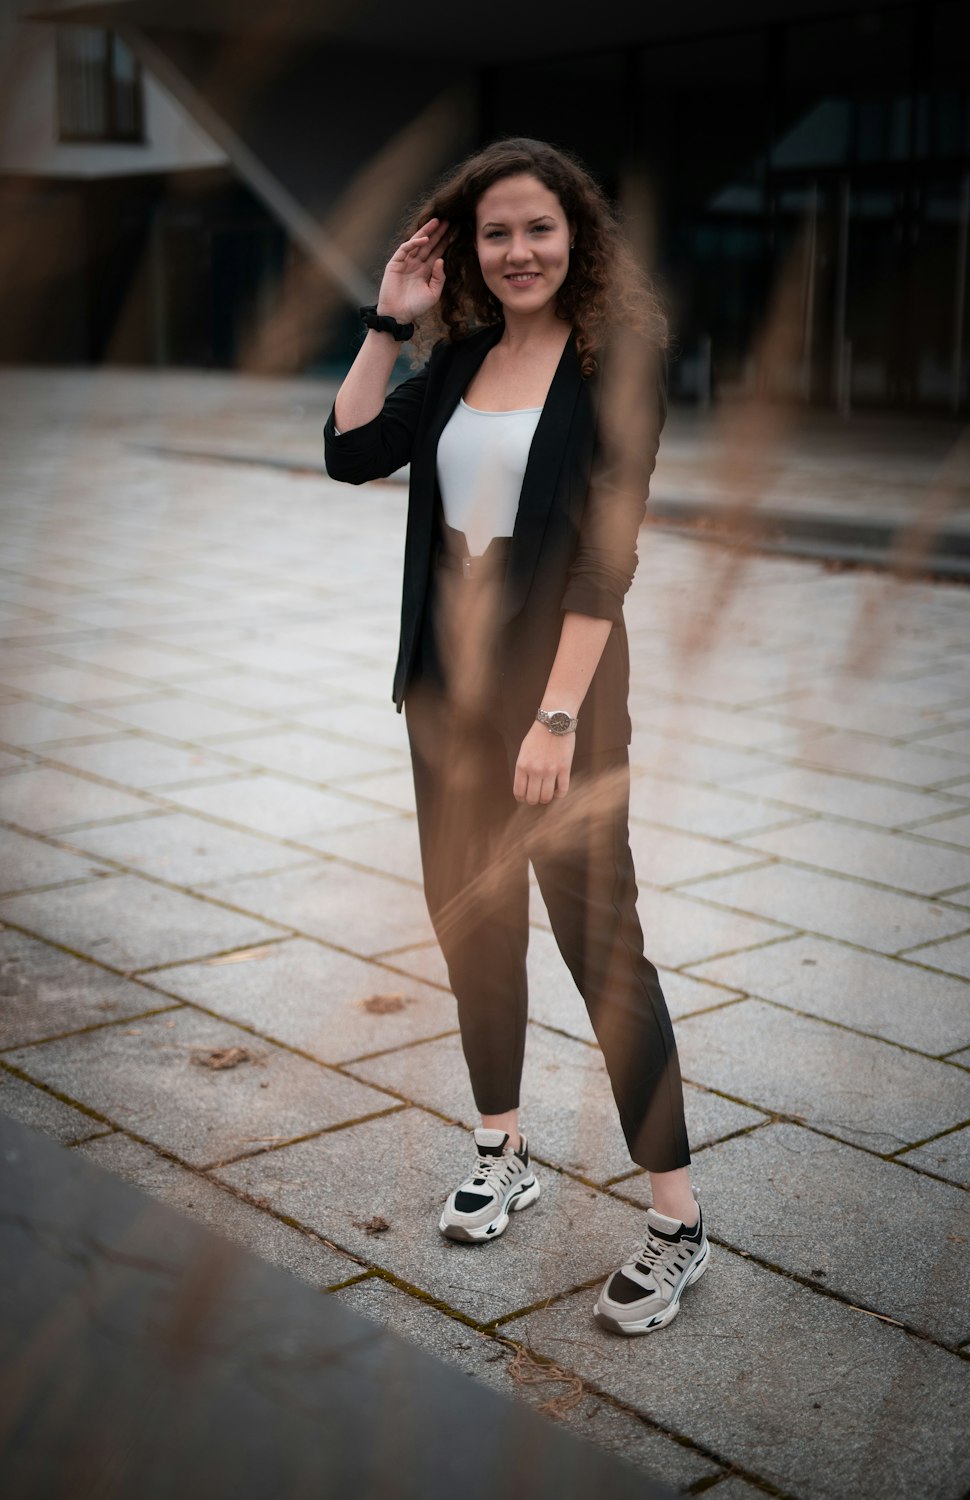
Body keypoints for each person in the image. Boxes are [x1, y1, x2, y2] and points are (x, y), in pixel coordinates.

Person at [324, 137, 709, 1335]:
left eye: (537, 227)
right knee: (472, 926)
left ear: (575, 235)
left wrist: (555, 716)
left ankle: (677, 1217)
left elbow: (607, 561)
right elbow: (346, 452)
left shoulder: (614, 367)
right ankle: (503, 1147)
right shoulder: (458, 360)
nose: (518, 250)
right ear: (468, 251)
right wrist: (389, 322)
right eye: (495, 233)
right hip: (446, 702)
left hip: (564, 704)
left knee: (602, 950)